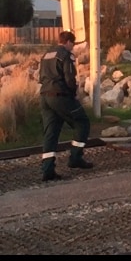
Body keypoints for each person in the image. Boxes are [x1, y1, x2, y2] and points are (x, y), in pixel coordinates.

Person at [38, 30, 93, 182]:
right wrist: (74, 92)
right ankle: (75, 158)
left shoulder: (46, 54)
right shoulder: (66, 55)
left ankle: (47, 170)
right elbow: (70, 78)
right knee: (82, 122)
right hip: (60, 96)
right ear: (69, 42)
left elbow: (40, 77)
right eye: (73, 44)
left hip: (44, 97)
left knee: (51, 132)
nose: (73, 47)